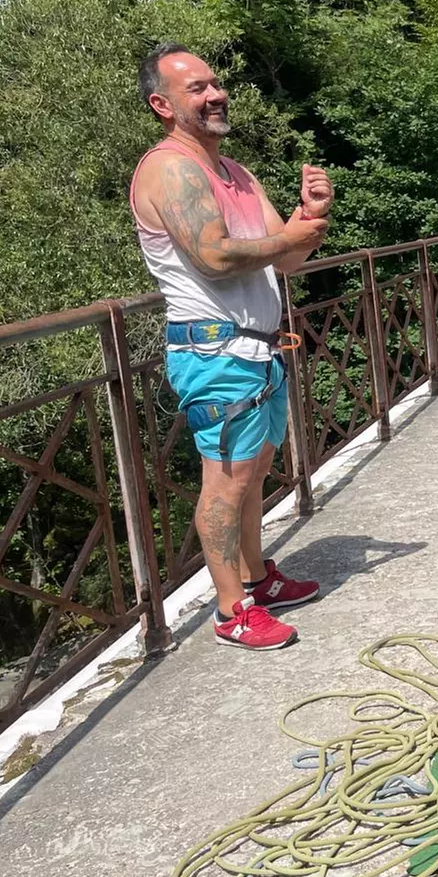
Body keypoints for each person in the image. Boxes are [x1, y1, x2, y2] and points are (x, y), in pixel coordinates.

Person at [129, 45, 333, 650]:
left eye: (215, 84)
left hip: (258, 350)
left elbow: (288, 256)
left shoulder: (235, 172)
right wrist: (292, 233)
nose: (214, 94)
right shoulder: (171, 169)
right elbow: (214, 258)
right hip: (214, 353)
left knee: (255, 470)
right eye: (196, 88)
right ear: (161, 104)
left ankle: (256, 577)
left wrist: (308, 217)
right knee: (226, 480)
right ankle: (230, 611)